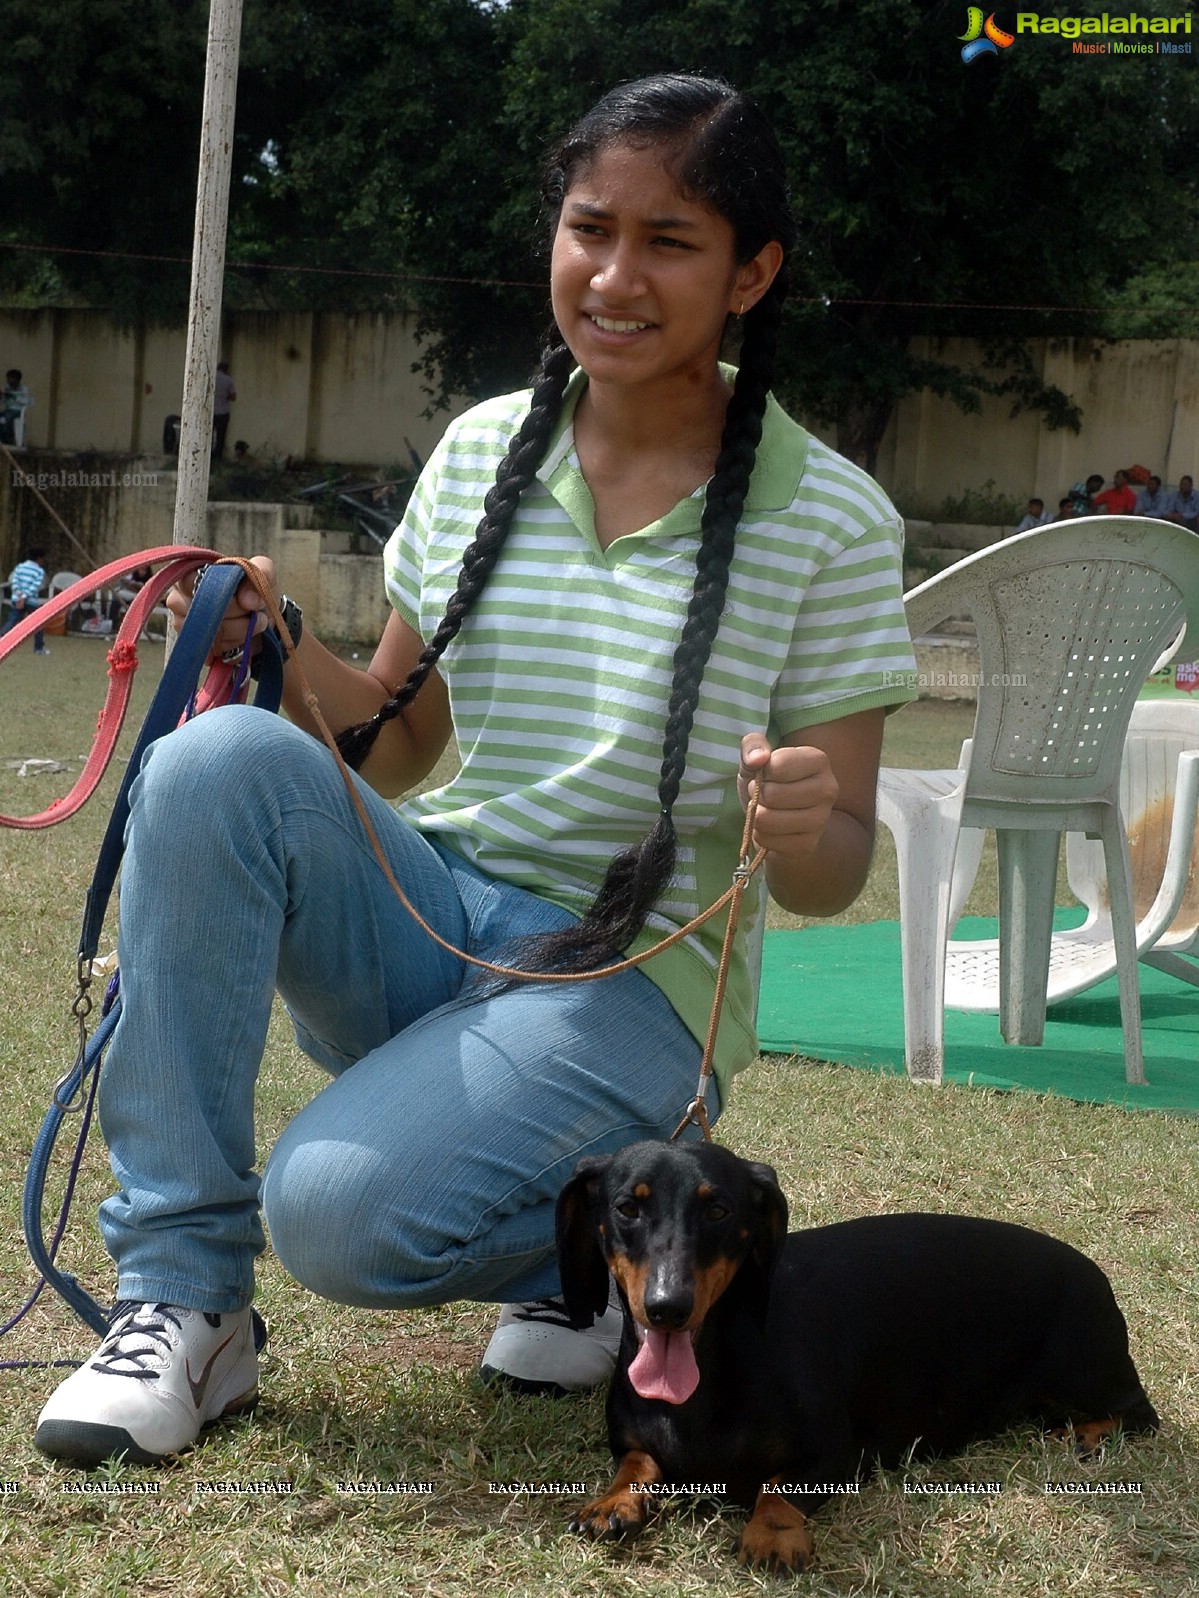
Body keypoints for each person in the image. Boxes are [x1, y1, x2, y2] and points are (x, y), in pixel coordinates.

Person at [33, 73, 917, 1468]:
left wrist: (801, 817)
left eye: (669, 242)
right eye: (588, 228)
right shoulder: (477, 450)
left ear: (752, 273)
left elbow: (830, 869)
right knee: (212, 765)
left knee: (336, 1214)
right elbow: (401, 733)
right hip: (438, 917)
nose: (615, 275)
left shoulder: (831, 517)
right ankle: (182, 1298)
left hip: (632, 982)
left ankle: (589, 1269)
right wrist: (288, 639)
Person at [1, 544, 49, 654]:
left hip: (16, 600)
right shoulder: (39, 571)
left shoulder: (19, 567)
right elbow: (34, 587)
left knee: (11, 622)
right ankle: (39, 648)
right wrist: (24, 598)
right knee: (38, 623)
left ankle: (1, 642)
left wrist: (19, 596)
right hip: (30, 601)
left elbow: (14, 582)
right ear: (39, 558)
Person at [1, 368, 32, 447]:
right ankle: (2, 440)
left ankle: (9, 441)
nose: (9, 381)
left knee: (6, 419)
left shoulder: (24, 390)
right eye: (8, 379)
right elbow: (3, 401)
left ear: (17, 380)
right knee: (2, 418)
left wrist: (12, 396)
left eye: (11, 379)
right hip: (8, 410)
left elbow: (27, 401)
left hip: (17, 411)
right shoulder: (7, 388)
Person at [212, 362, 236, 458]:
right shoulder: (228, 380)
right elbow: (233, 396)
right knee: (220, 436)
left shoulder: (211, 377)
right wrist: (225, 396)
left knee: (208, 435)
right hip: (223, 412)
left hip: (211, 412)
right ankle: (218, 456)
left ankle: (206, 455)